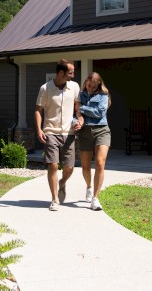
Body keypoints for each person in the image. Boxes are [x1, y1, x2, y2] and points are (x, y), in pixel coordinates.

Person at [35, 59, 80, 211]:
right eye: (70, 73)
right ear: (61, 73)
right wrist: (39, 129)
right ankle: (54, 199)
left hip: (69, 132)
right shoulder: (45, 88)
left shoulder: (74, 87)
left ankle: (62, 182)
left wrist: (79, 119)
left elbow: (77, 106)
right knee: (53, 165)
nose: (73, 75)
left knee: (69, 167)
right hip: (51, 132)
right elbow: (38, 110)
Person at [73, 72, 111, 211]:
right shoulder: (79, 95)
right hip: (84, 132)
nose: (90, 88)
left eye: (94, 86)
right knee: (85, 167)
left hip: (102, 130)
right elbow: (73, 114)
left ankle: (95, 198)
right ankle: (89, 186)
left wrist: (81, 108)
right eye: (89, 85)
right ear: (86, 82)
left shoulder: (103, 96)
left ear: (98, 85)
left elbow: (99, 113)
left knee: (100, 163)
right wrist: (75, 122)